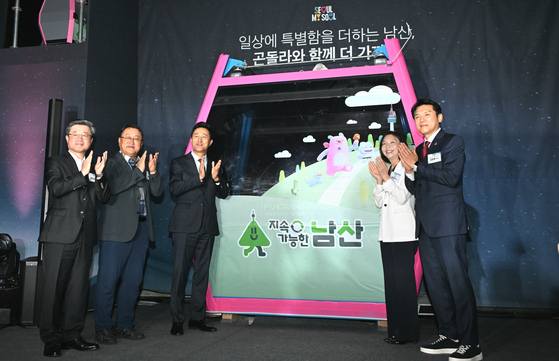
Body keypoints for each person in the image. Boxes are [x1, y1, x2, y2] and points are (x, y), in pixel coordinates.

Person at [398, 99, 482, 361]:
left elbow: (450, 177)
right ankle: (449, 334)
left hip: (448, 224)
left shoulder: (452, 142)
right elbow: (416, 187)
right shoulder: (420, 148)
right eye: (417, 116)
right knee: (435, 284)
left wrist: (417, 167)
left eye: (427, 114)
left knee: (458, 283)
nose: (422, 119)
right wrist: (411, 172)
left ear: (439, 117)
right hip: (425, 226)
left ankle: (470, 343)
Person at [38, 120, 110, 357]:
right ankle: (51, 338)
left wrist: (99, 177)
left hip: (85, 235)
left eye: (85, 135)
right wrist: (83, 174)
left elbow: (104, 197)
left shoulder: (96, 165)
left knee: (78, 289)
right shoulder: (56, 161)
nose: (80, 138)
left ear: (91, 141)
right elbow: (56, 188)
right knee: (54, 289)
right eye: (75, 134)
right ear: (67, 138)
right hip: (59, 235)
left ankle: (72, 335)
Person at [93, 124, 163, 344]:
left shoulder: (143, 165)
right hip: (115, 231)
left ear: (142, 144)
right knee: (107, 281)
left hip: (141, 230)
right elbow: (114, 188)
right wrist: (139, 171)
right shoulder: (111, 164)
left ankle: (124, 324)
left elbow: (158, 192)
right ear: (119, 141)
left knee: (133, 282)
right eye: (128, 137)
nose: (132, 142)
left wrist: (152, 172)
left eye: (137, 139)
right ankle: (103, 327)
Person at [168, 122, 229, 335]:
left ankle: (196, 318)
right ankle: (177, 320)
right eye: (196, 135)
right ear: (191, 139)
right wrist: (199, 178)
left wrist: (216, 179)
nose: (200, 139)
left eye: (204, 136)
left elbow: (224, 193)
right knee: (180, 273)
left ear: (210, 142)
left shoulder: (216, 164)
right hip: (184, 226)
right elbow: (174, 188)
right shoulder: (179, 163)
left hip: (208, 226)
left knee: (202, 274)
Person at [369, 131, 419, 345]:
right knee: (391, 285)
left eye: (393, 142)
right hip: (387, 234)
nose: (387, 146)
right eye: (384, 144)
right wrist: (380, 180)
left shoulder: (408, 167)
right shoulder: (387, 169)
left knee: (404, 286)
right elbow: (379, 201)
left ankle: (407, 333)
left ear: (402, 146)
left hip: (404, 234)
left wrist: (387, 178)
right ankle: (395, 330)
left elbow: (401, 196)